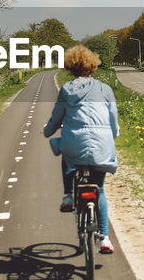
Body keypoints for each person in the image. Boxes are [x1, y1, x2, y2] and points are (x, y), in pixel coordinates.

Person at [43, 44, 119, 254]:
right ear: (93, 66)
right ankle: (104, 238)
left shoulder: (67, 90)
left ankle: (68, 195)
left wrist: (48, 132)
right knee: (100, 189)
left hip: (74, 145)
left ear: (71, 67)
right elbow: (113, 120)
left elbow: (56, 118)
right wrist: (113, 135)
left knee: (65, 152)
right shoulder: (105, 89)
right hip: (102, 147)